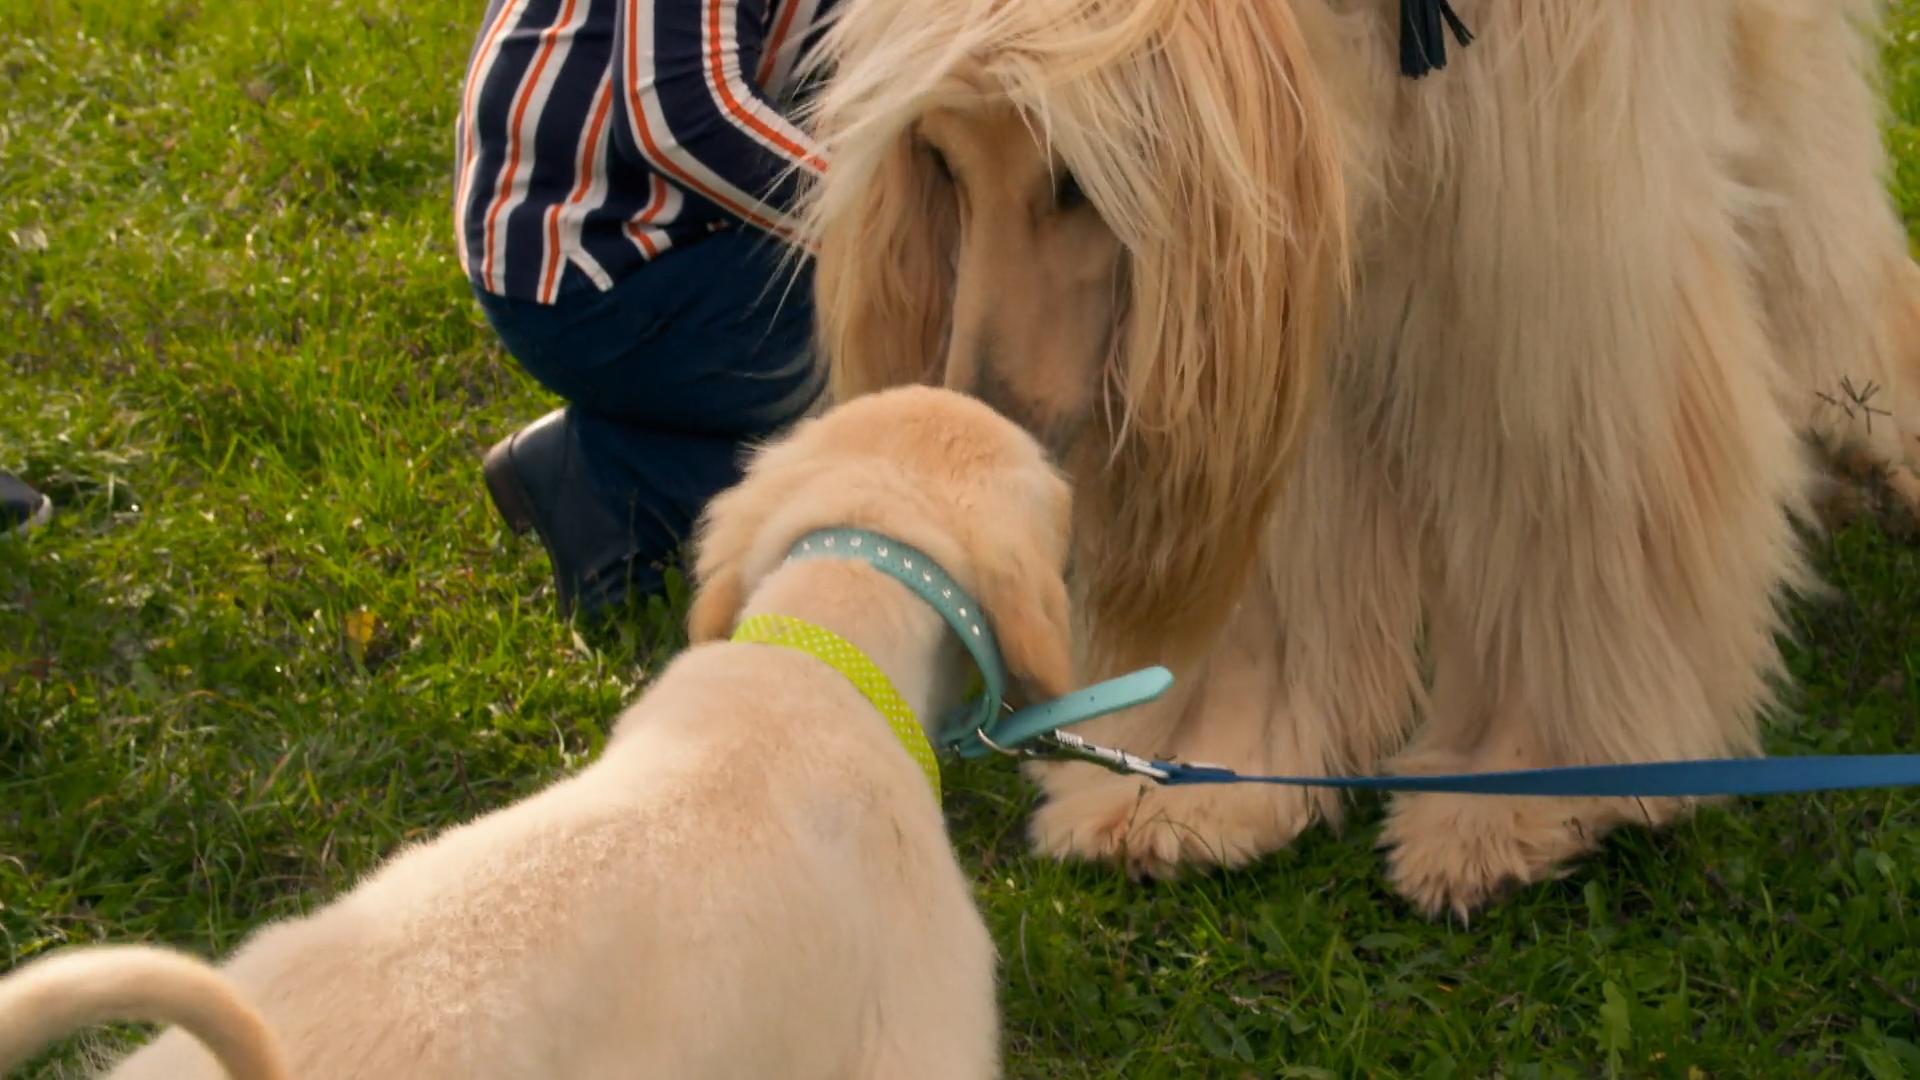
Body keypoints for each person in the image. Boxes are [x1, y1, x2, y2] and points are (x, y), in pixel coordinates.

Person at [456, 0, 839, 617]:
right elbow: (679, 116)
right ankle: (623, 484)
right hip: (593, 256)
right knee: (907, 343)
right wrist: (890, 230)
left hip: (677, 222)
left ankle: (619, 471)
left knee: (921, 339)